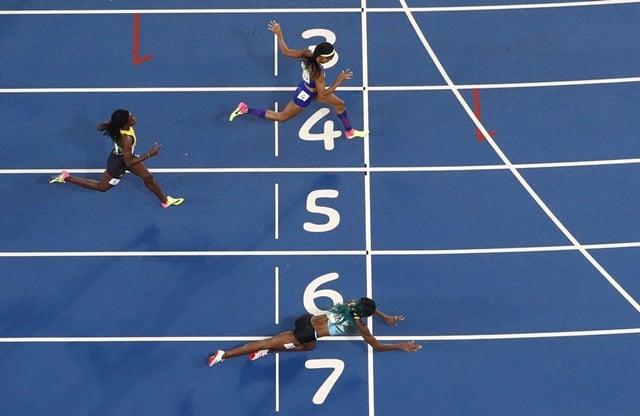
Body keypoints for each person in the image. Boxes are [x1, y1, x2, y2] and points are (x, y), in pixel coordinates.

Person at [229, 20, 369, 140]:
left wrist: (279, 34)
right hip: (306, 94)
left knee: (340, 104)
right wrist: (339, 81)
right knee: (282, 117)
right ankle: (245, 109)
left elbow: (285, 51)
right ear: (324, 58)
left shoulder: (307, 54)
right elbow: (323, 94)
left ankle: (349, 132)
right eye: (330, 58)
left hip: (309, 86)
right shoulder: (318, 72)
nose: (331, 60)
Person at [207, 297, 421, 366]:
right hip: (305, 332)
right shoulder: (360, 327)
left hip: (305, 319)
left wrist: (385, 317)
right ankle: (222, 355)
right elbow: (377, 347)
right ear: (364, 315)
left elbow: (368, 308)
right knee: (267, 342)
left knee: (309, 348)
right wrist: (401, 345)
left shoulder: (350, 304)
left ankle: (268, 352)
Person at [49, 109, 184, 208]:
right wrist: (149, 154)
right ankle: (66, 177)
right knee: (102, 187)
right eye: (131, 117)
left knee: (148, 177)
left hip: (126, 157)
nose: (134, 117)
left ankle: (165, 201)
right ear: (125, 124)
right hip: (118, 164)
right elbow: (128, 163)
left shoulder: (119, 127)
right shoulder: (126, 139)